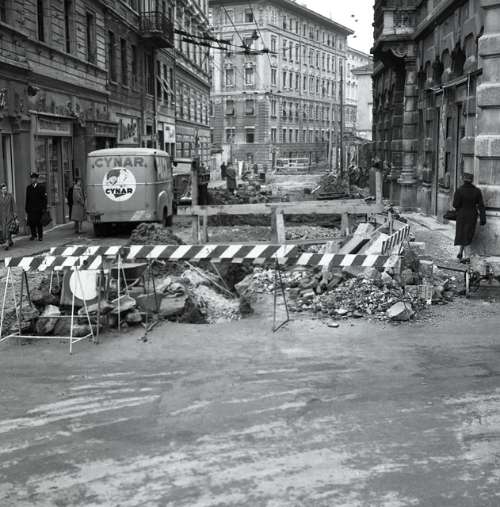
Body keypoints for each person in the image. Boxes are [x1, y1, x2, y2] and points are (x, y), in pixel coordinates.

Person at [453, 172, 486, 262]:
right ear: (472, 180)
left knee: (462, 233)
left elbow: (455, 204)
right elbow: (481, 205)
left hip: (462, 214)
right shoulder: (477, 191)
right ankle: (461, 252)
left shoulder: (459, 190)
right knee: (468, 233)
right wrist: (483, 218)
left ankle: (466, 256)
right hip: (472, 215)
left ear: (463, 180)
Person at [25, 172, 47, 241]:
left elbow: (44, 199)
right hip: (31, 209)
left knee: (39, 223)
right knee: (31, 223)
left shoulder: (41, 187)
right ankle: (33, 235)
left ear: (36, 179)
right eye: (32, 178)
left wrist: (44, 208)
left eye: (34, 178)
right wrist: (26, 208)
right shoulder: (29, 188)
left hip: (39, 209)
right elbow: (27, 199)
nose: (32, 179)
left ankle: (40, 236)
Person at [0, 184, 16, 250]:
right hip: (2, 216)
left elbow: (14, 205)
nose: (5, 190)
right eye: (3, 189)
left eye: (6, 189)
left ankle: (7, 244)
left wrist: (15, 215)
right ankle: (10, 241)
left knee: (7, 229)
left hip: (9, 215)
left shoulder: (10, 196)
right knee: (4, 230)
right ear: (1, 190)